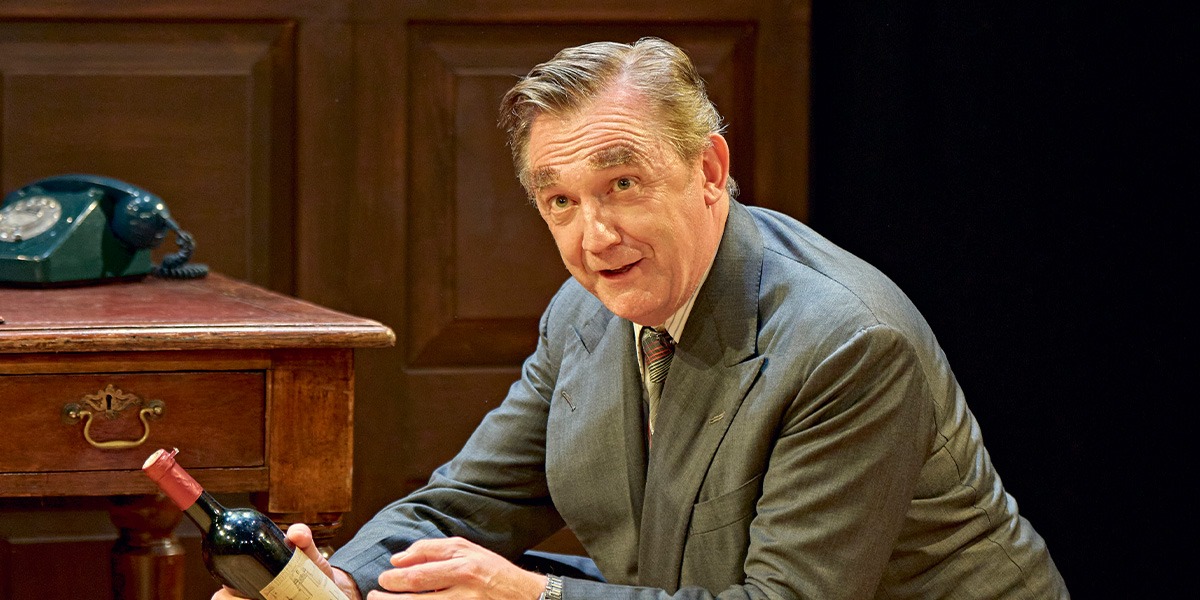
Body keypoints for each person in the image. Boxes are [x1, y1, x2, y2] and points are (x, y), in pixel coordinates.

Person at [215, 37, 1068, 599]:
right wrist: (336, 583)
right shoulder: (585, 310)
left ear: (710, 170)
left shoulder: (847, 344)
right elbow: (468, 502)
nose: (595, 237)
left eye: (622, 184)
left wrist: (537, 595)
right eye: (560, 201)